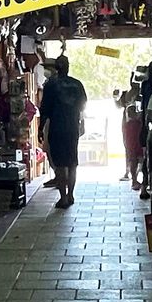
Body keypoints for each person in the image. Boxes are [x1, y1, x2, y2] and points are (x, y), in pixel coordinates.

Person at [39, 54, 86, 208]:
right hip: (72, 127)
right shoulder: (77, 84)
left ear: (56, 68)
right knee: (72, 163)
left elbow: (44, 109)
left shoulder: (51, 85)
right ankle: (71, 195)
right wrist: (81, 123)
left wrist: (40, 128)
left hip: (57, 128)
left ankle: (63, 198)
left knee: (60, 164)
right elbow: (82, 106)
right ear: (68, 67)